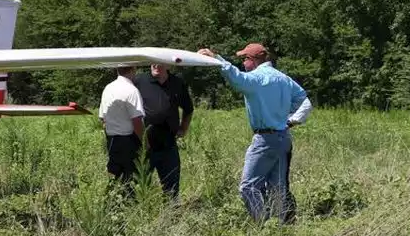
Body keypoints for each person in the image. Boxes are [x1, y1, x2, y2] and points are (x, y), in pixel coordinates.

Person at [197, 43, 308, 223]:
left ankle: (262, 223)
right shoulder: (284, 79)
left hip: (265, 139)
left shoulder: (257, 79)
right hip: (283, 137)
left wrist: (216, 59)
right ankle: (280, 227)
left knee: (248, 186)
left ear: (254, 60)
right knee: (277, 187)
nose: (243, 63)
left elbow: (236, 78)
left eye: (245, 59)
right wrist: (291, 119)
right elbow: (304, 101)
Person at [132, 62, 194, 201]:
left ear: (168, 66)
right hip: (144, 145)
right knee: (139, 186)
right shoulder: (140, 81)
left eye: (159, 63)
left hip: (168, 144)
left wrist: (183, 129)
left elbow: (188, 109)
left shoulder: (177, 83)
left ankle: (171, 216)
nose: (155, 65)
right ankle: (143, 214)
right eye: (152, 62)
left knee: (171, 188)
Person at [98, 65, 145, 195]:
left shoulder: (108, 88)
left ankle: (114, 203)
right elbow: (136, 121)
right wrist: (145, 142)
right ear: (133, 69)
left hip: (112, 139)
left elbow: (102, 118)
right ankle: (131, 205)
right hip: (128, 140)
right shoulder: (131, 90)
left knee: (115, 175)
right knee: (132, 177)